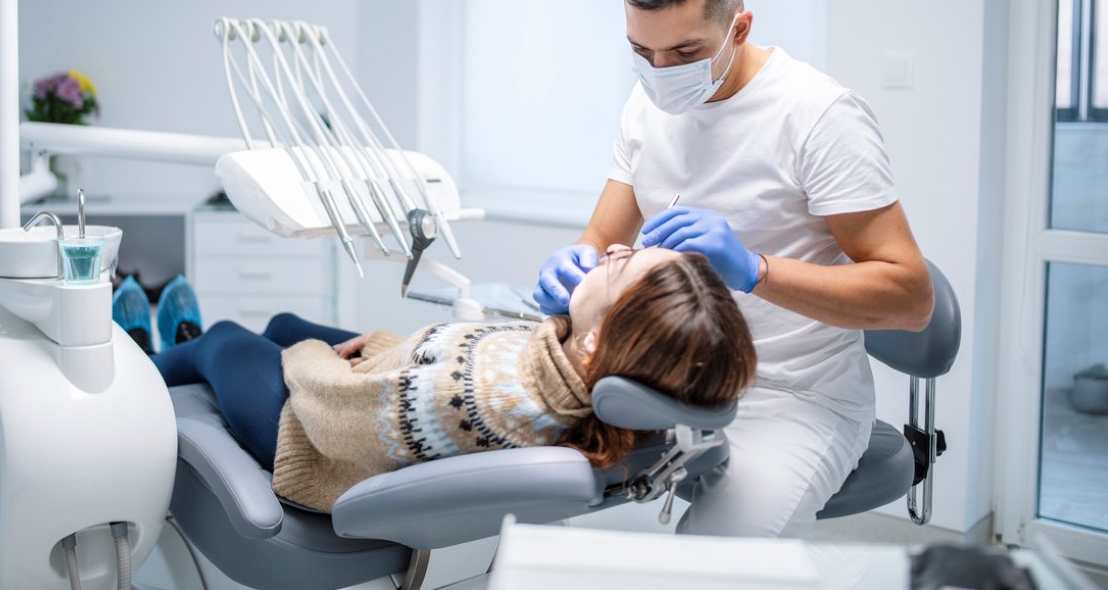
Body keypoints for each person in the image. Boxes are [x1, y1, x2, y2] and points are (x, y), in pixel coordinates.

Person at [531, 0, 934, 538]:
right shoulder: (646, 110)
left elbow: (911, 299)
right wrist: (576, 264)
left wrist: (754, 269)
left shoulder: (818, 116)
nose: (661, 72)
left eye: (685, 53)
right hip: (668, 379)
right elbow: (597, 237)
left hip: (795, 398)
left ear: (739, 28)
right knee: (501, 457)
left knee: (706, 565)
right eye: (643, 53)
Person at [112, 247, 756, 513]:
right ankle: (186, 348)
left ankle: (140, 363)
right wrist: (386, 350)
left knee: (230, 337)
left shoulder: (480, 395)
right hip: (386, 391)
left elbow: (338, 412)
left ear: (596, 344)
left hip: (305, 435)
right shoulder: (573, 367)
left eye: (621, 268)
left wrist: (318, 356)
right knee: (280, 318)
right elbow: (452, 358)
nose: (611, 250)